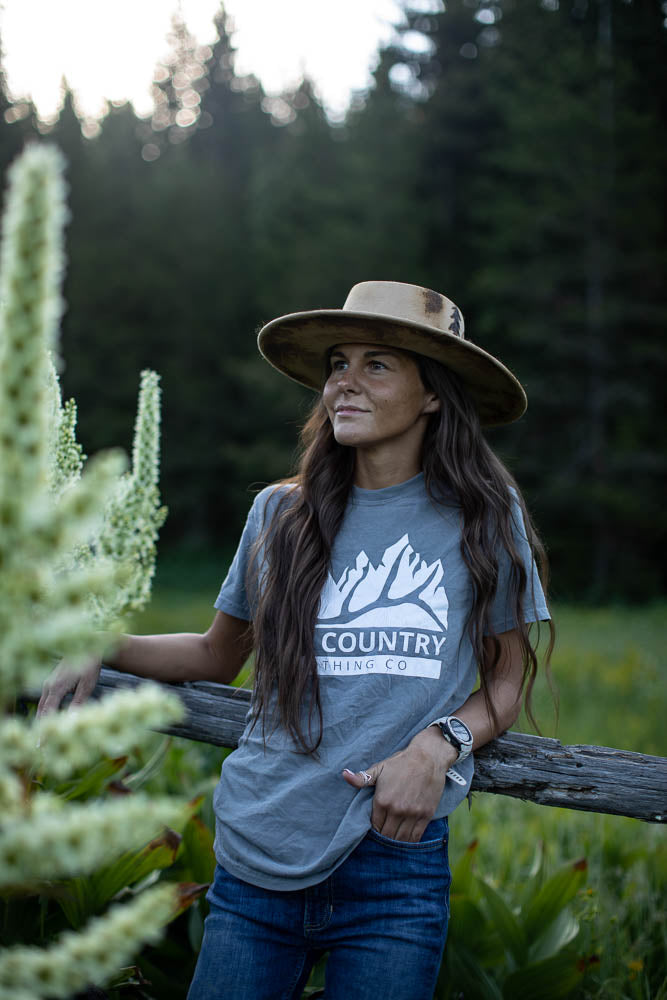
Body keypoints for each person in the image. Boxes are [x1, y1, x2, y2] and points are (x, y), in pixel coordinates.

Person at [39, 281, 552, 1000]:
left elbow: (504, 682)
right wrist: (102, 642)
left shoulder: (483, 519)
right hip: (257, 853)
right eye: (338, 363)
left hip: (393, 858)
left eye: (377, 365)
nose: (344, 382)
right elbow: (217, 654)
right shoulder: (279, 514)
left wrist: (439, 745)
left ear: (433, 394)